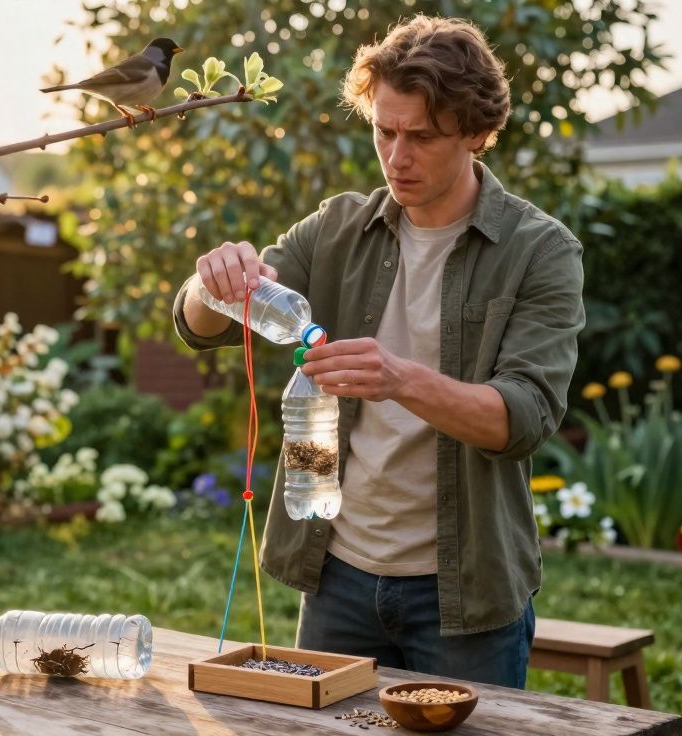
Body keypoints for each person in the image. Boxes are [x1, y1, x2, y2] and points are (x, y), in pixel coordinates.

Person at [171, 14, 585, 688]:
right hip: (337, 576)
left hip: (463, 593)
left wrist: (400, 379)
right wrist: (210, 282)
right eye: (383, 131)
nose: (396, 157)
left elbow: (524, 418)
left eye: (421, 136)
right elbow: (205, 322)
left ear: (478, 134)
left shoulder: (540, 252)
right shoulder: (338, 227)